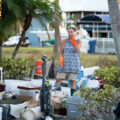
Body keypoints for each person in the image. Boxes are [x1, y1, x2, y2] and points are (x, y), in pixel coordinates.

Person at [56, 25, 82, 96]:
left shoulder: (79, 41)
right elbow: (61, 52)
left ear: (75, 33)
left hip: (74, 65)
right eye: (68, 32)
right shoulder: (64, 41)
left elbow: (76, 49)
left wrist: (74, 41)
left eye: (71, 32)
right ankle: (57, 95)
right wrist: (60, 58)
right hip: (64, 63)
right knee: (58, 79)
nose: (70, 33)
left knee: (72, 81)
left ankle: (72, 97)